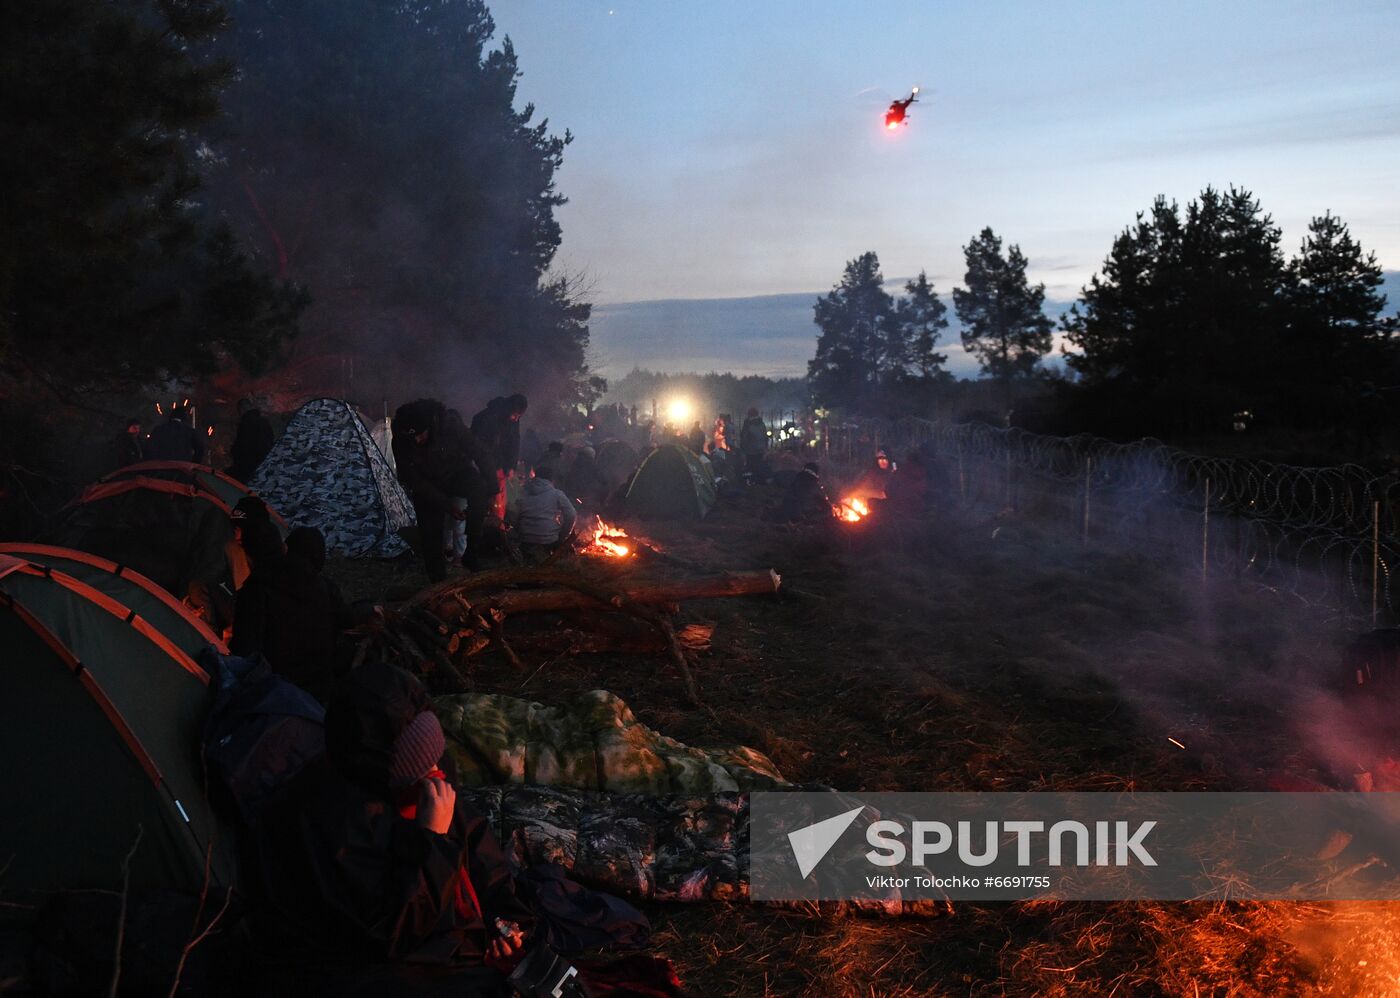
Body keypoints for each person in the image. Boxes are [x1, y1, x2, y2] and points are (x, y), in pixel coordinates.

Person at [253, 662, 535, 992]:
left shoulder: (422, 770)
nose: (435, 770)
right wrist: (432, 839)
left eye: (435, 754)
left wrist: (503, 919)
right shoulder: (334, 825)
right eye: (420, 765)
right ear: (383, 769)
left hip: (448, 938)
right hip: (384, 964)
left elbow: (474, 841)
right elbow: (393, 934)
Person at [230, 522, 348, 706]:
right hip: (320, 691)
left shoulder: (256, 591)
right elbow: (345, 619)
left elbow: (245, 652)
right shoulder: (323, 586)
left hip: (277, 696)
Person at [393, 399, 490, 581]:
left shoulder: (450, 426)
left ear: (429, 426)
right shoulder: (401, 439)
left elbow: (479, 452)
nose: (416, 440)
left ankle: (471, 553)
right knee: (430, 534)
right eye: (411, 436)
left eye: (420, 434)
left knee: (479, 487)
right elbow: (412, 479)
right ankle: (437, 583)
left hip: (455, 473)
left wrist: (493, 487)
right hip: (427, 485)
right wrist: (447, 505)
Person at [471, 394, 529, 523]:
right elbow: (478, 445)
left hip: (500, 468)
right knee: (490, 499)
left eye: (519, 416)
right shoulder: (485, 418)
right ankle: (492, 530)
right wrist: (489, 465)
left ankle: (496, 529)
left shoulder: (512, 420)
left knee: (499, 501)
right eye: (515, 414)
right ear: (509, 408)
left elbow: (514, 443)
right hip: (485, 466)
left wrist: (511, 466)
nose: (516, 418)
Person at [510, 464, 578, 563]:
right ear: (551, 480)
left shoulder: (523, 492)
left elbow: (513, 515)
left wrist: (520, 530)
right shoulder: (557, 494)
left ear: (535, 477)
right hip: (548, 540)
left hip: (525, 539)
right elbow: (572, 515)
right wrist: (562, 536)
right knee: (570, 555)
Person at [227, 397, 276, 483]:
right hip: (264, 464)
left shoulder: (245, 424)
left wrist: (233, 452)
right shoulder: (264, 422)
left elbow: (242, 445)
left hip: (248, 466)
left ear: (241, 409)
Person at [739, 408, 768, 481]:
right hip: (761, 448)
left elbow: (744, 436)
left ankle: (752, 482)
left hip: (750, 449)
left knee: (750, 466)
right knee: (759, 465)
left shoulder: (747, 423)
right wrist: (765, 448)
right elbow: (765, 436)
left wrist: (742, 448)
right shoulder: (762, 423)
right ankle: (759, 481)